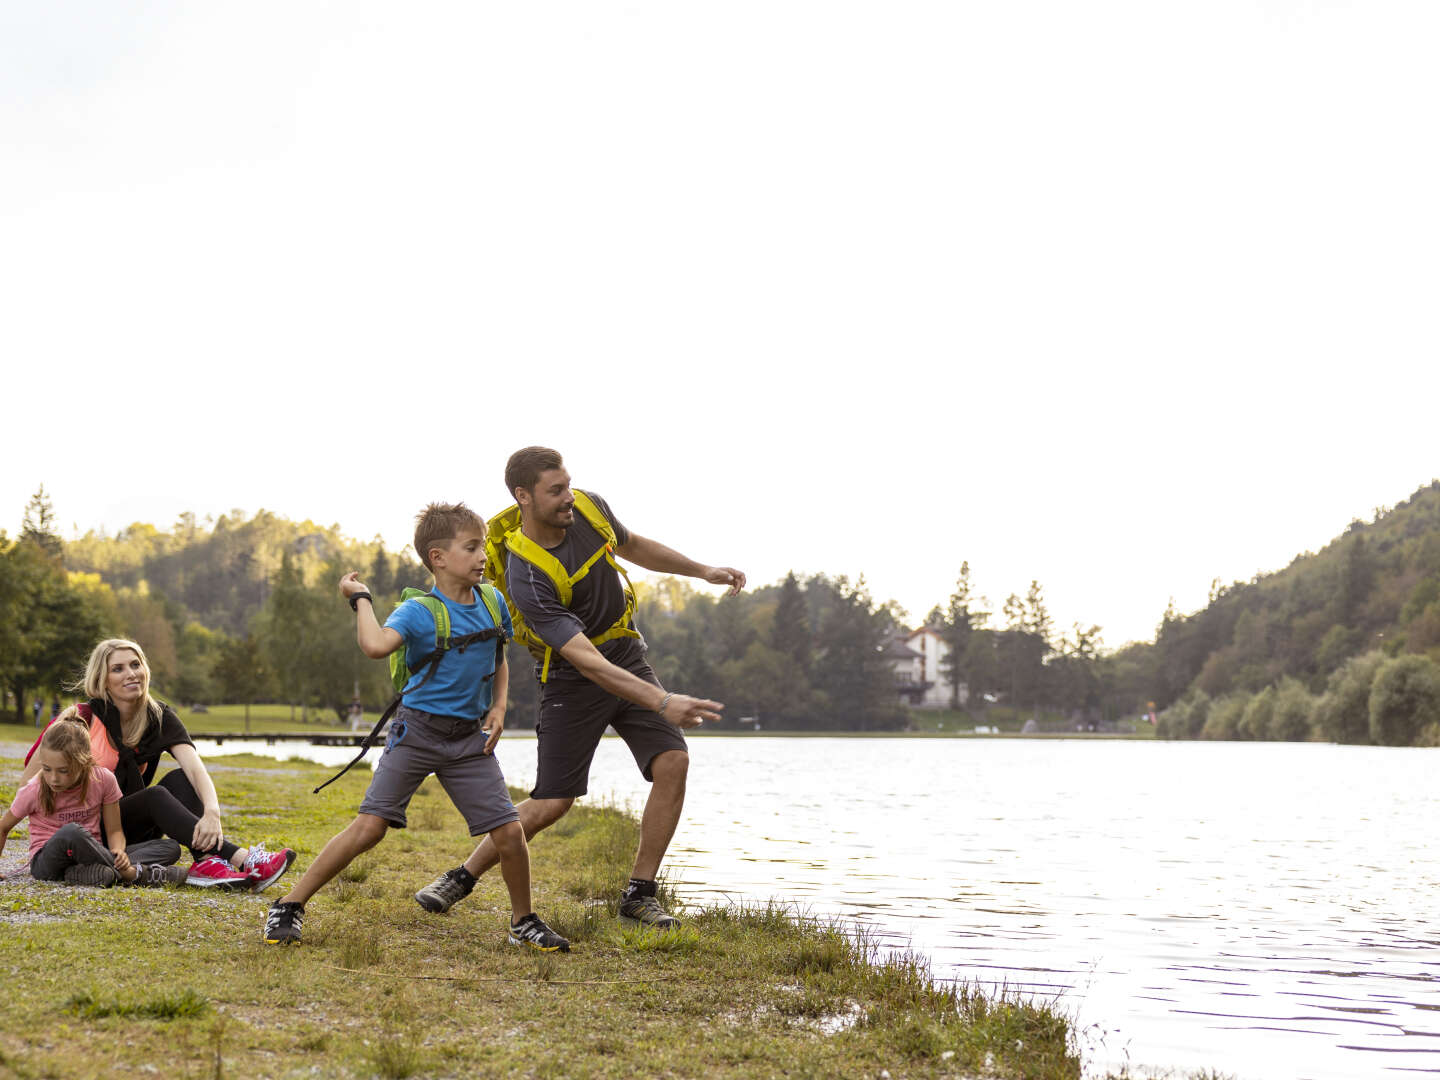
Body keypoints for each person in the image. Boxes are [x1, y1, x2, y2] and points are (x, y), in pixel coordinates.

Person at [413, 447, 744, 930]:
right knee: (553, 801)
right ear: (523, 497)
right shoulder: (527, 574)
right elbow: (585, 658)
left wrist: (701, 571)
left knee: (673, 761)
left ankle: (639, 894)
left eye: (568, 484)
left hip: (626, 652)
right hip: (572, 675)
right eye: (556, 490)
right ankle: (461, 876)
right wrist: (663, 701)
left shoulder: (589, 507)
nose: (570, 496)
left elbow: (631, 545)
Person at [262, 502, 568, 952]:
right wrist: (360, 598)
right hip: (417, 733)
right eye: (471, 547)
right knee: (370, 829)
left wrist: (499, 708)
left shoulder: (494, 601)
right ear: (438, 557)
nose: (483, 555)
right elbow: (374, 645)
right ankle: (289, 905)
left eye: (482, 546)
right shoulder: (418, 611)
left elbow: (499, 658)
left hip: (468, 740)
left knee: (509, 832)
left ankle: (523, 921)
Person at [20, 639, 295, 892]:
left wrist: (212, 812)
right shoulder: (81, 720)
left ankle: (206, 862)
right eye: (118, 669)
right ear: (103, 680)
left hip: (123, 828)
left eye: (135, 664)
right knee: (155, 797)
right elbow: (28, 784)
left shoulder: (159, 717)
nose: (130, 673)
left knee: (181, 780)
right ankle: (242, 858)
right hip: (81, 830)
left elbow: (196, 770)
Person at [1, 718, 186, 887]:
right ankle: (136, 874)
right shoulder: (35, 790)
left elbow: (114, 830)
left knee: (170, 847)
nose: (53, 779)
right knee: (71, 832)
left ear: (84, 762)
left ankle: (86, 874)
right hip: (47, 863)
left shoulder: (103, 780)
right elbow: (3, 828)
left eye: (63, 771)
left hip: (92, 857)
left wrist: (118, 851)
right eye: (47, 769)